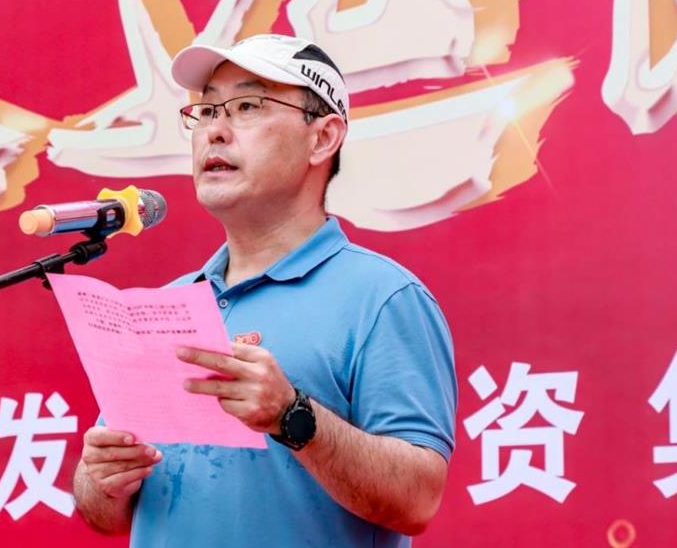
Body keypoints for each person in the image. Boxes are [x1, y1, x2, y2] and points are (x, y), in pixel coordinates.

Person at [72, 34, 457, 547]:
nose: (215, 130)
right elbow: (106, 515)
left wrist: (292, 415)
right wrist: (100, 478)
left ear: (323, 138)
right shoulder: (167, 306)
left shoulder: (383, 298)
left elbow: (417, 500)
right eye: (207, 111)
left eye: (248, 106)